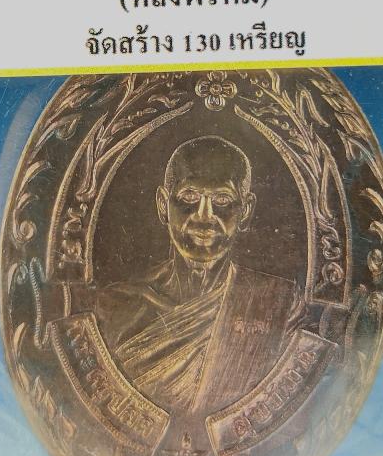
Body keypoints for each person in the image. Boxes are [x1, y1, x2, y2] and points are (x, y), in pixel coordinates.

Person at [93, 135, 306, 415]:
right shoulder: (117, 306)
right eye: (189, 197)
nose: (204, 216)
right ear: (163, 205)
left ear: (245, 211)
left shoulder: (279, 304)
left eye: (222, 199)